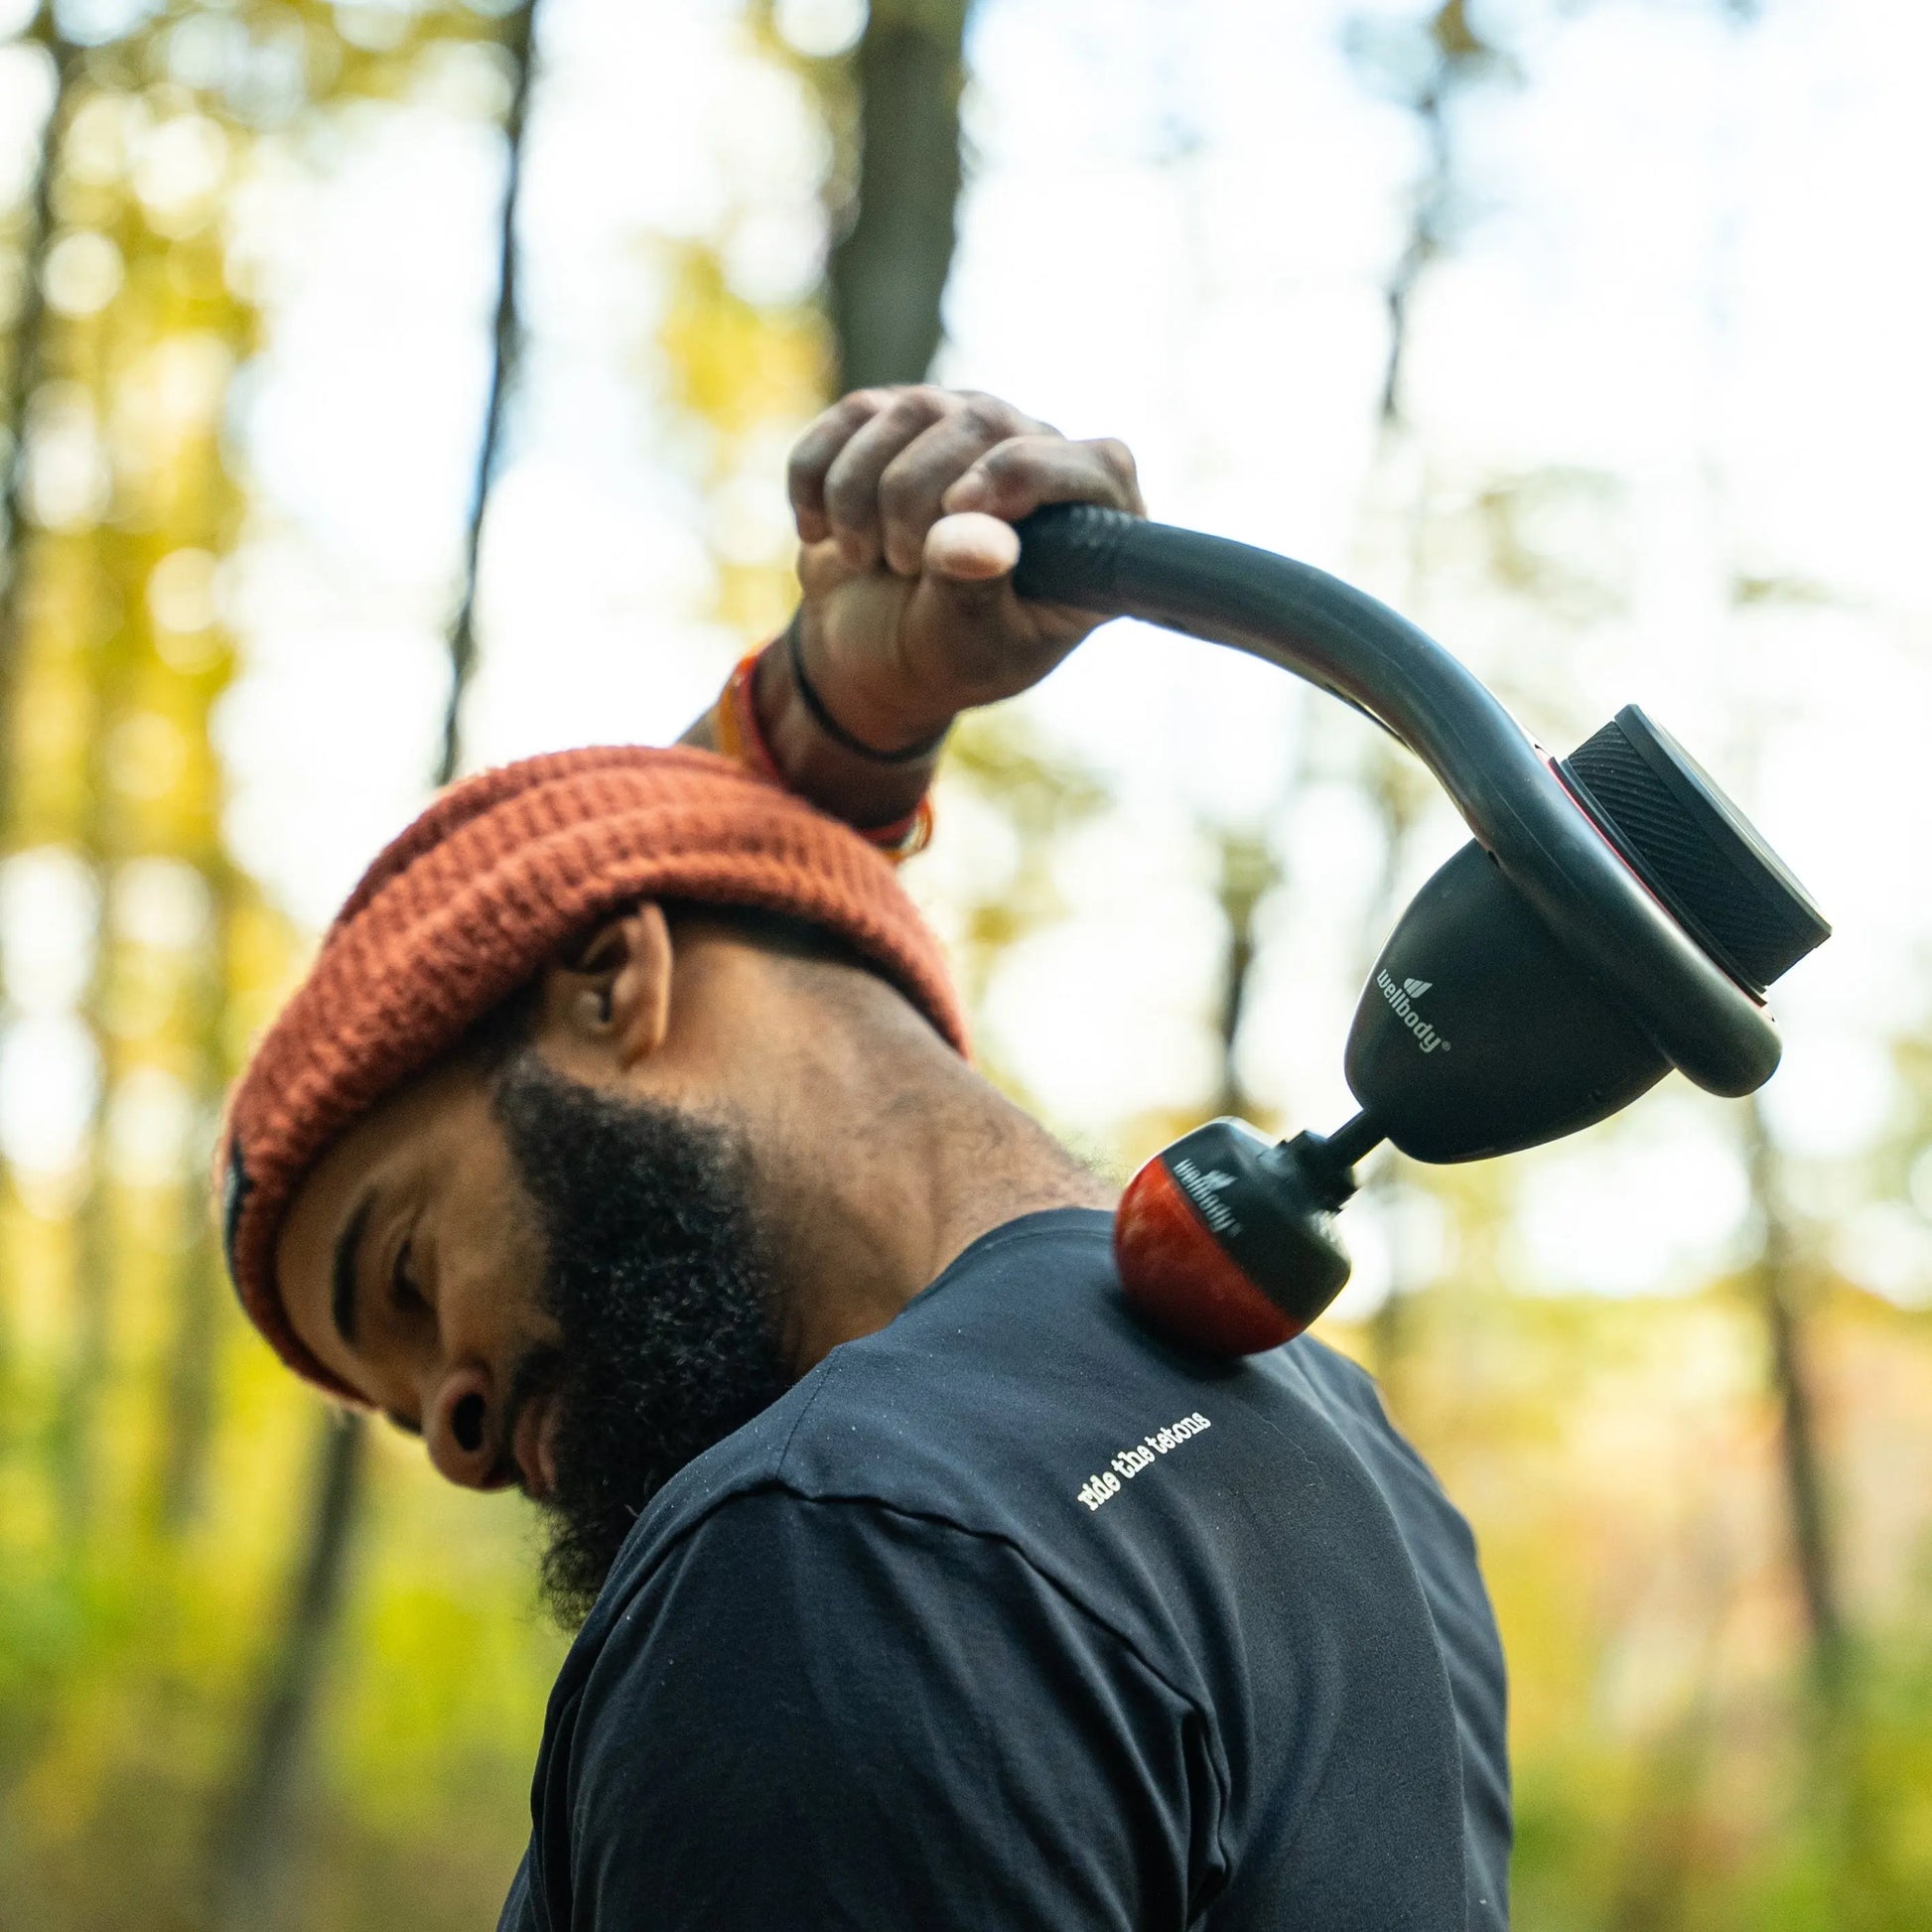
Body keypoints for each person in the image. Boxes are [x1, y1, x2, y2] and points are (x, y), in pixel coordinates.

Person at [219, 386, 1510, 1929]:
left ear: (612, 983)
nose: (456, 1435)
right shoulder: (1350, 1466)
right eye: (412, 1408)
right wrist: (833, 711)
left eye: (407, 1273)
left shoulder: (833, 1550)